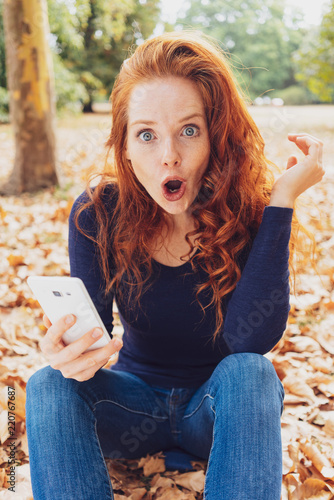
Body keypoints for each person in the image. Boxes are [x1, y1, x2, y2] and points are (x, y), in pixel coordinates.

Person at [25, 30, 324, 500]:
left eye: (189, 130)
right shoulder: (96, 213)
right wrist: (70, 356)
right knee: (48, 383)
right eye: (146, 135)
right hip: (129, 410)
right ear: (123, 146)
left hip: (216, 411)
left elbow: (250, 342)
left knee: (251, 372)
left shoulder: (249, 212)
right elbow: (93, 340)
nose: (169, 156)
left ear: (214, 137)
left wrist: (282, 201)